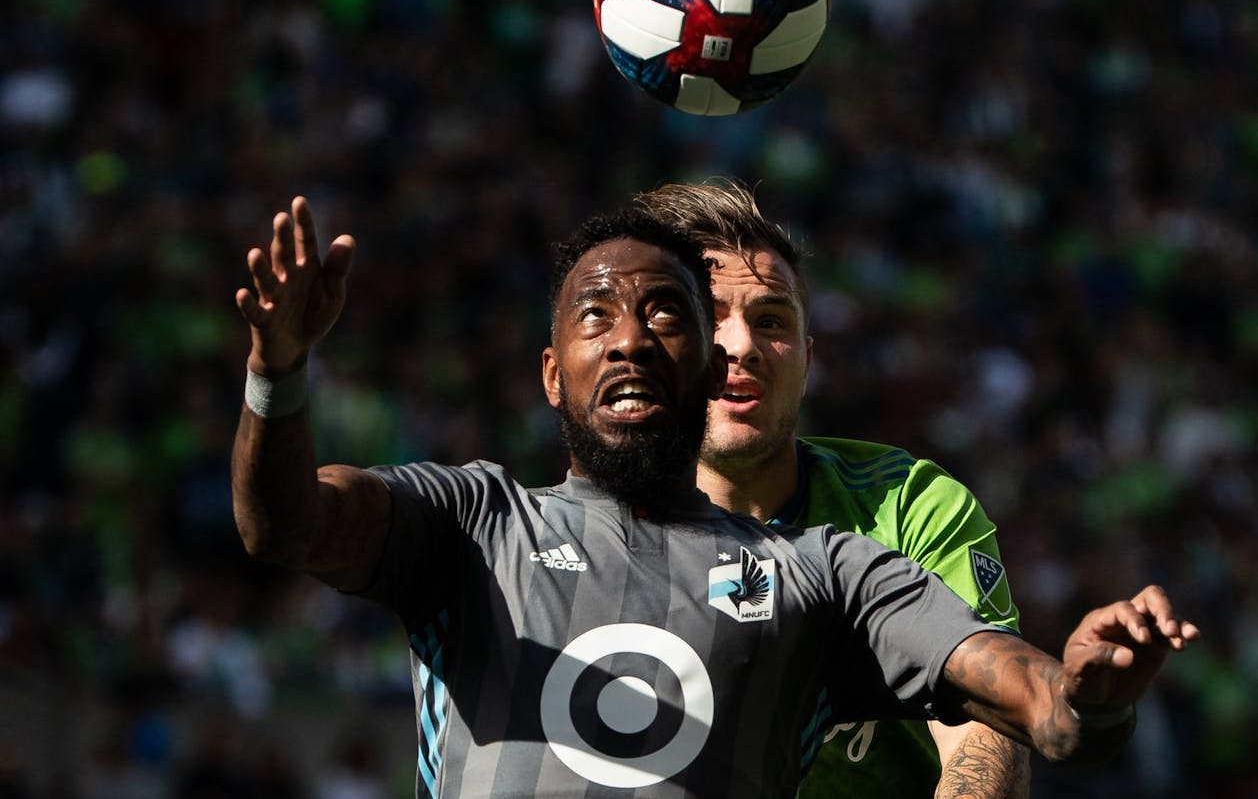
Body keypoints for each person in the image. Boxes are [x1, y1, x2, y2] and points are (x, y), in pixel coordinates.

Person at [231, 196, 1198, 798]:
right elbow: (284, 525)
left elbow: (1035, 713)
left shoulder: (829, 571)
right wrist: (278, 378)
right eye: (596, 316)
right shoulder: (475, 525)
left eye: (663, 317)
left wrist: (1087, 697)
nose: (631, 339)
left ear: (703, 373)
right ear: (550, 375)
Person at [636, 178, 1027, 798]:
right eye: (710, 317)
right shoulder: (587, 537)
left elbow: (987, 722)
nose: (742, 345)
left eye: (771, 320)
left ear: (806, 360)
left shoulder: (908, 506)